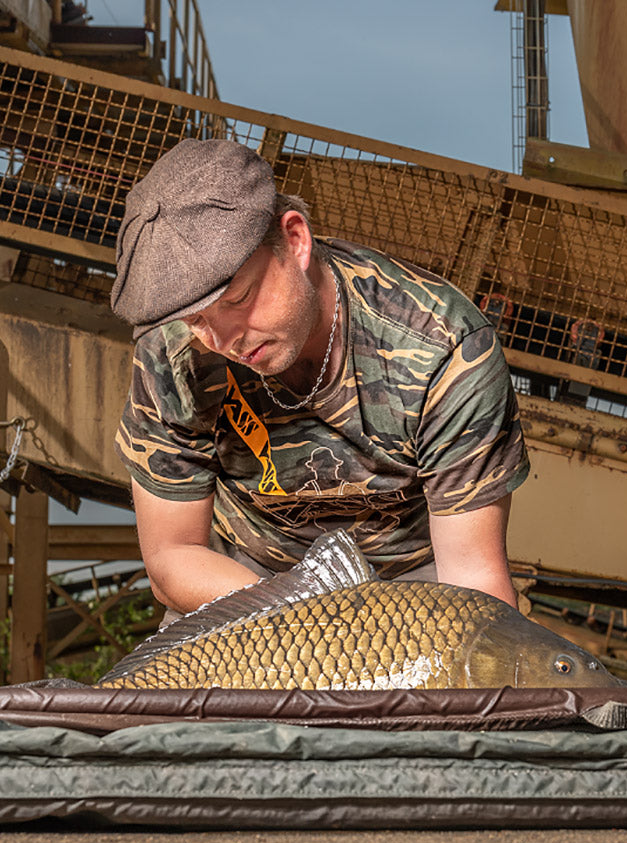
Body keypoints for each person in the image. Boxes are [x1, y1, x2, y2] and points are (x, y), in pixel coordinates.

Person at [110, 138, 529, 617]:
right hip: (238, 584)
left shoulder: (445, 348)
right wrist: (312, 625)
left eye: (238, 299)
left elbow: (473, 578)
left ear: (295, 240)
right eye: (198, 321)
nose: (224, 341)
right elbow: (173, 556)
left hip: (413, 592)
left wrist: (352, 635)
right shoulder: (172, 351)